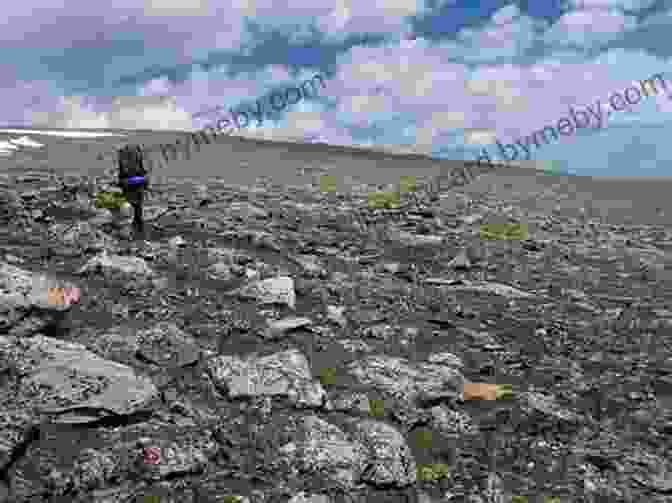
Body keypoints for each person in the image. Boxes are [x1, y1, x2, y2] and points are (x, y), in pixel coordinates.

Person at [116, 144, 149, 236]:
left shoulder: (130, 164)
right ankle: (135, 229)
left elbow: (143, 177)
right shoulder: (135, 164)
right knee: (135, 211)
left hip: (133, 190)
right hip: (132, 190)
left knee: (134, 211)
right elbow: (143, 177)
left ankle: (135, 230)